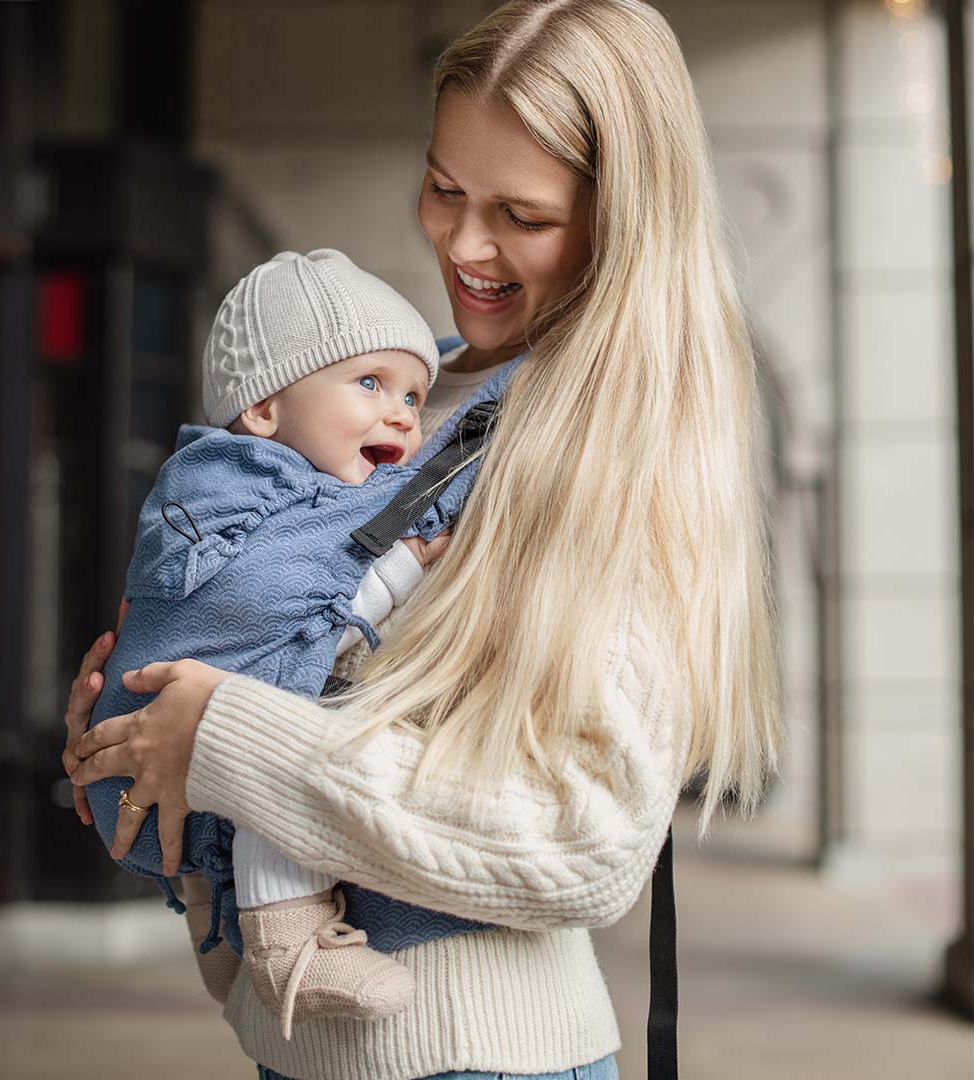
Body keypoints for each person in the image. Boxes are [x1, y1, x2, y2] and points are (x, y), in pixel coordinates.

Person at [64, 2, 783, 1078]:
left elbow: (584, 846)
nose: (460, 242)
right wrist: (143, 713)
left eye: (520, 216)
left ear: (620, 223)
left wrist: (226, 738)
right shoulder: (415, 387)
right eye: (445, 188)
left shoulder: (620, 455)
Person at [87, 247, 504, 1040]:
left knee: (263, 740)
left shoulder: (281, 482)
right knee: (282, 753)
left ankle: (220, 920)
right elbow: (280, 602)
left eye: (415, 396)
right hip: (152, 747)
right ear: (266, 412)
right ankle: (289, 941)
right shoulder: (230, 484)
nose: (403, 414)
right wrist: (405, 566)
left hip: (159, 764)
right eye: (371, 384)